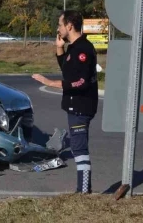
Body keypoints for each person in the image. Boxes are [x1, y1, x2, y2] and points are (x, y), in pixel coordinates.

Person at [32, 10, 99, 194]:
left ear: (69, 26)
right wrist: (59, 48)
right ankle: (83, 189)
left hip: (81, 105)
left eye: (60, 25)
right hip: (76, 105)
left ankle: (84, 191)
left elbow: (81, 81)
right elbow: (68, 70)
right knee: (78, 147)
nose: (58, 28)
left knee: (79, 148)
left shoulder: (83, 49)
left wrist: (49, 82)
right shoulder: (75, 48)